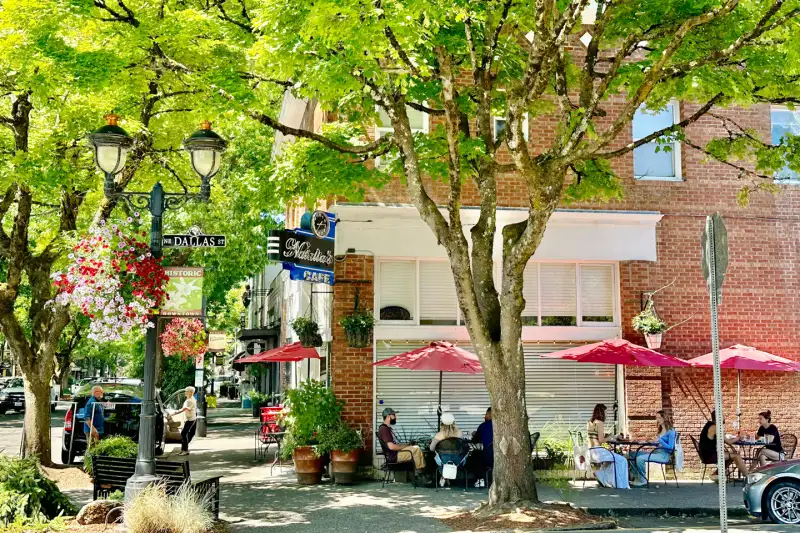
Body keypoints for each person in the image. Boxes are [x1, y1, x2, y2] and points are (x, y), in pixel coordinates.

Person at [586, 404, 630, 489]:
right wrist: (612, 436)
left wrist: (609, 435)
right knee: (622, 460)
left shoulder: (589, 423)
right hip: (598, 452)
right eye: (605, 412)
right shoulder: (600, 423)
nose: (606, 414)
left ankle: (602, 475)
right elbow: (601, 440)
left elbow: (596, 436)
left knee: (611, 461)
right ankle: (621, 485)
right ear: (601, 412)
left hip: (591, 452)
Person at [630, 410, 677, 487]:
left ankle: (642, 479)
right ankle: (637, 477)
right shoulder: (660, 430)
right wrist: (649, 442)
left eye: (659, 418)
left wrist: (660, 440)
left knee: (640, 458)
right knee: (632, 454)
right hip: (656, 452)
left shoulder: (671, 431)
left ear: (664, 418)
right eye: (656, 418)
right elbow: (659, 444)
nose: (657, 420)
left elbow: (670, 449)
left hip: (664, 456)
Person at [699, 410, 748, 480]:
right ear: (718, 417)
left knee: (732, 456)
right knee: (736, 456)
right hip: (709, 455)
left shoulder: (709, 425)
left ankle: (716, 474)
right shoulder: (715, 427)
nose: (724, 417)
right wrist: (739, 437)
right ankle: (748, 477)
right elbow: (729, 442)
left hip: (706, 453)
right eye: (722, 416)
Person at [170, 386, 198, 456]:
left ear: (190, 392)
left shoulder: (190, 400)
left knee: (183, 434)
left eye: (186, 391)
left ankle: (185, 450)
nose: (185, 392)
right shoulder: (190, 399)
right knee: (184, 434)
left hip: (190, 419)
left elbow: (184, 409)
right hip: (190, 418)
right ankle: (183, 450)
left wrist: (173, 413)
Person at [471, 408, 493, 488]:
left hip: (489, 457)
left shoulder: (483, 426)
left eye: (486, 414)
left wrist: (474, 434)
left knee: (475, 455)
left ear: (490, 415)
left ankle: (480, 479)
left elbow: (476, 440)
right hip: (503, 457)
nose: (485, 416)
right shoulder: (503, 427)